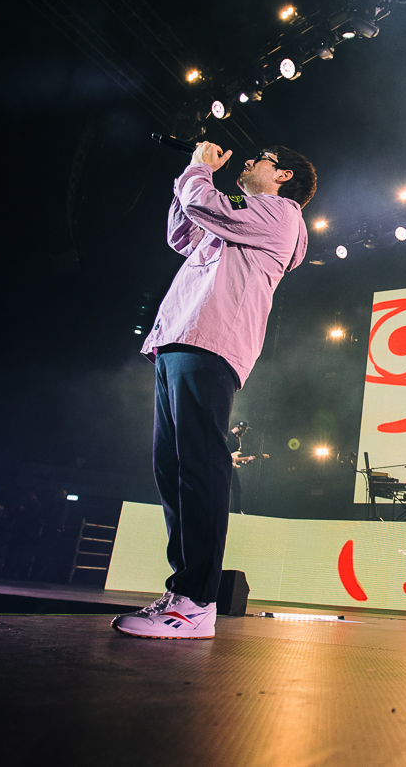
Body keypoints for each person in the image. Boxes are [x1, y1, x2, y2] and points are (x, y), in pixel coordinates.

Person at [113, 141, 316, 639]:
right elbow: (183, 233)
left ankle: (196, 602)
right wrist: (192, 176)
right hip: (179, 338)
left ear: (283, 175)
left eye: (260, 159)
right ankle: (182, 591)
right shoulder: (241, 216)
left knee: (200, 464)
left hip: (211, 340)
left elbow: (204, 203)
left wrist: (199, 170)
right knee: (172, 468)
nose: (247, 161)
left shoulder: (282, 214)